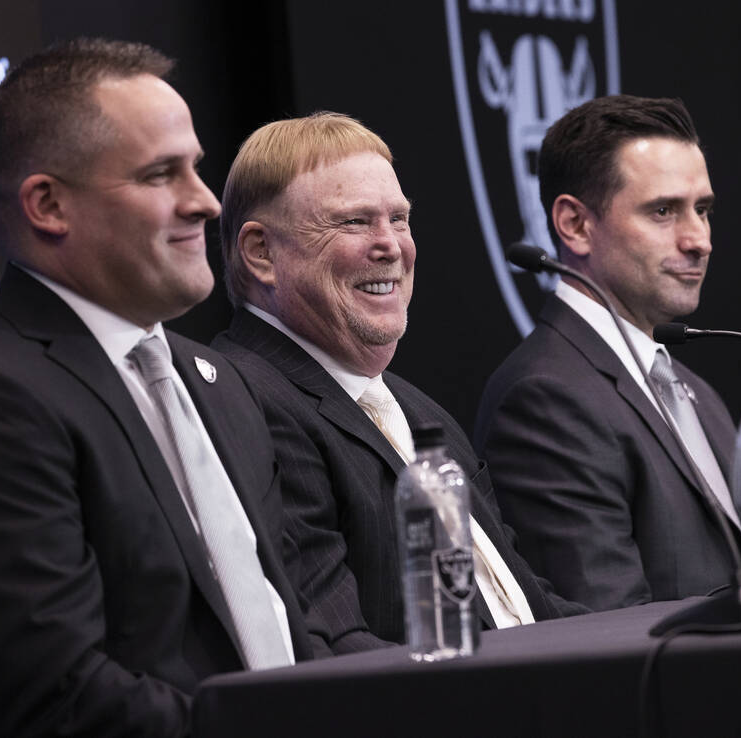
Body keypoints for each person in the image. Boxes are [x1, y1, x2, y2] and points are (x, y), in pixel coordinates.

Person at [0, 38, 313, 738]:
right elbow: (61, 702)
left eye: (195, 168)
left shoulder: (217, 382)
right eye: (161, 174)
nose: (204, 202)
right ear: (48, 205)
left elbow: (291, 629)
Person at [214, 112, 583, 653]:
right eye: (355, 222)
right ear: (261, 253)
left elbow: (517, 602)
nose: (391, 246)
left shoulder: (415, 410)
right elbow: (335, 646)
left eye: (400, 220)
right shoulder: (247, 401)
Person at [473, 94, 741, 611]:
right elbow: (607, 633)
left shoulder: (696, 392)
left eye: (702, 210)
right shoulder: (544, 399)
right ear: (575, 224)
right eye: (663, 211)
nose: (699, 240)